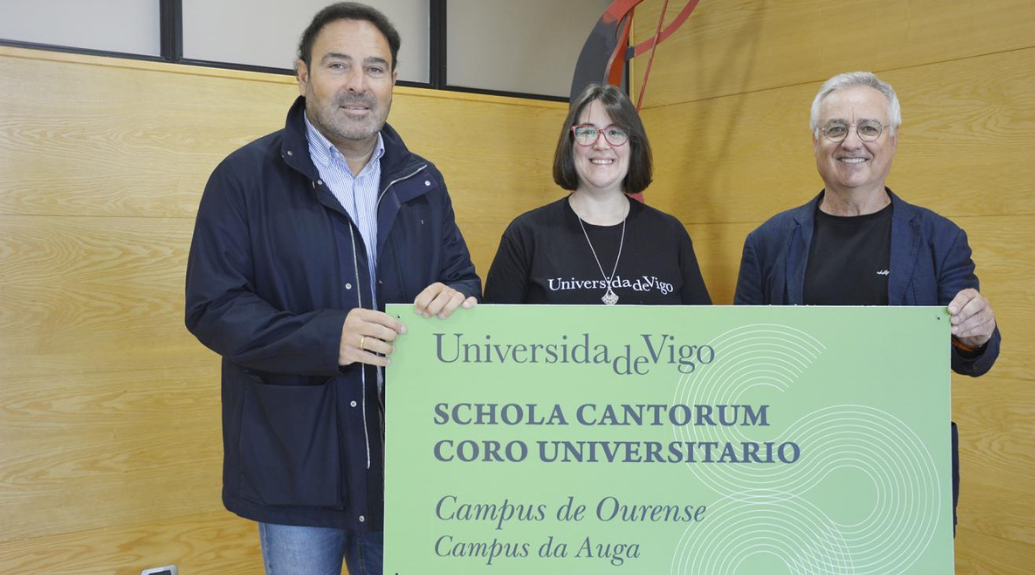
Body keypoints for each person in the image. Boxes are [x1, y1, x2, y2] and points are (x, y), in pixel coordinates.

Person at [184, 3, 479, 574]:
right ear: (303, 74)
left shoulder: (422, 181)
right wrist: (325, 336)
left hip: (407, 461)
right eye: (338, 65)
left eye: (375, 68)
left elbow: (462, 277)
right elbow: (212, 307)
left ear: (393, 80)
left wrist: (459, 296)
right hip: (297, 464)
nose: (357, 84)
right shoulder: (243, 178)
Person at [734, 71, 1001, 532]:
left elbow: (973, 358)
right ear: (816, 141)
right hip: (792, 465)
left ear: (893, 139)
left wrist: (976, 334)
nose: (851, 141)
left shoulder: (940, 238)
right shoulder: (769, 242)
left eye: (869, 128)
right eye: (835, 128)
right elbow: (743, 359)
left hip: (907, 464)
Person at [484, 83, 711, 305]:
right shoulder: (526, 234)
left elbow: (703, 332)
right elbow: (494, 334)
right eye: (587, 131)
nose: (601, 144)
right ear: (571, 143)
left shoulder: (670, 234)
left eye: (615, 131)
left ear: (633, 146)